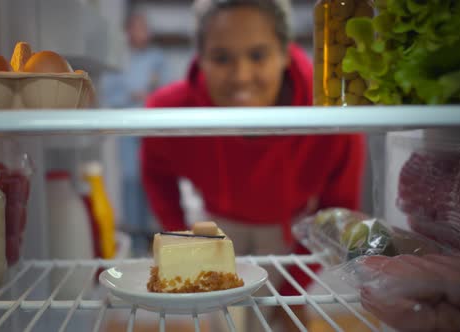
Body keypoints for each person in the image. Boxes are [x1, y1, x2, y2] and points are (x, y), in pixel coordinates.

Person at [140, 0, 365, 330]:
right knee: (221, 321)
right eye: (221, 58)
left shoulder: (328, 117)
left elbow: (337, 212)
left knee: (272, 318)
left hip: (287, 229)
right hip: (216, 225)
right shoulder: (171, 111)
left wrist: (294, 291)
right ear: (200, 59)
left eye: (258, 55)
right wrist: (185, 239)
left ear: (285, 53)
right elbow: (156, 174)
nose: (241, 76)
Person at [99, 9, 168, 255]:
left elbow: (162, 91)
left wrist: (143, 92)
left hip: (150, 128)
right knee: (130, 179)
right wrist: (136, 92)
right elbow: (111, 92)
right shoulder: (122, 60)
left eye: (144, 28)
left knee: (151, 180)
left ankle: (155, 236)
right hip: (128, 128)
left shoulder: (157, 57)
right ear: (128, 31)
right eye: (137, 28)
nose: (142, 33)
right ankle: (134, 239)